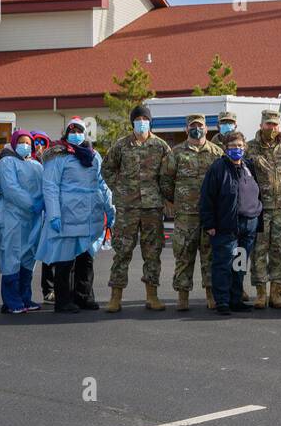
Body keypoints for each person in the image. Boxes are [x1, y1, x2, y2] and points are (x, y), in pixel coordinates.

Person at [37, 118, 114, 313]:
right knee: (65, 260)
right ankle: (64, 300)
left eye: (79, 130)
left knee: (86, 258)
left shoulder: (93, 155)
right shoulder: (57, 155)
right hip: (68, 214)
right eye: (72, 130)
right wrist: (54, 214)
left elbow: (102, 184)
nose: (76, 134)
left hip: (90, 215)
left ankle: (84, 296)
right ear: (66, 133)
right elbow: (50, 186)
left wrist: (110, 209)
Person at [101, 104, 170, 312]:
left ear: (150, 122)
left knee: (152, 252)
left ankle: (152, 296)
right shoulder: (121, 145)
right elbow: (106, 168)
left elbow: (167, 174)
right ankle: (116, 297)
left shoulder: (160, 146)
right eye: (138, 119)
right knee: (122, 251)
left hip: (152, 208)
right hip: (127, 208)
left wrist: (165, 197)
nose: (141, 122)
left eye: (144, 119)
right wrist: (119, 189)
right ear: (132, 123)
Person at [160, 113, 223, 311]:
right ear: (187, 129)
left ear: (206, 129)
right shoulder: (176, 152)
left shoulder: (216, 153)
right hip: (185, 215)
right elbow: (166, 180)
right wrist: (175, 200)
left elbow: (223, 182)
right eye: (193, 126)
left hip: (210, 215)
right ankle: (182, 296)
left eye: (200, 126)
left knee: (210, 256)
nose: (197, 129)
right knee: (184, 255)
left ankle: (211, 295)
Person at [199, 130, 262, 315]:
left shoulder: (248, 166)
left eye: (240, 146)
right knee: (224, 264)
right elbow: (207, 198)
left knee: (239, 265)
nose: (237, 149)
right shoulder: (217, 168)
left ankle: (236, 299)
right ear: (225, 148)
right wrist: (209, 224)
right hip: (226, 227)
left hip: (248, 226)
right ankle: (223, 302)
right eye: (233, 146)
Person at [245, 109, 281, 308]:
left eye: (275, 124)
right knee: (259, 252)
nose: (271, 128)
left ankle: (276, 292)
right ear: (261, 125)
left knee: (280, 252)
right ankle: (260, 292)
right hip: (260, 209)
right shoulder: (250, 148)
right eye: (268, 124)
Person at [0, 129, 45, 314]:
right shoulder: (6, 162)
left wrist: (43, 203)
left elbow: (44, 185)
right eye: (22, 142)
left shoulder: (36, 165)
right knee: (11, 256)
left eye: (28, 143)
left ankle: (25, 297)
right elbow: (10, 189)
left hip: (32, 220)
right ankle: (11, 301)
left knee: (28, 257)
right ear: (14, 142)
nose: (26, 146)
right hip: (12, 217)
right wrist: (32, 203)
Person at [31, 130, 55, 304]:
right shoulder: (26, 162)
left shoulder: (52, 161)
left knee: (50, 253)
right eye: (35, 142)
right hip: (31, 214)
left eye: (42, 142)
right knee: (27, 255)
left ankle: (50, 290)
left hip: (49, 213)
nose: (38, 146)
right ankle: (22, 293)